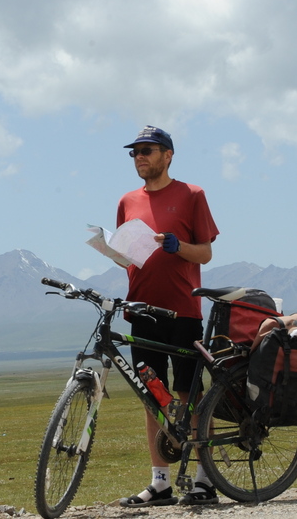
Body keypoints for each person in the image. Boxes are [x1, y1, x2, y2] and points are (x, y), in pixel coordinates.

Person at [116, 125, 220, 507]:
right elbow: (128, 252)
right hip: (142, 311)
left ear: (168, 155)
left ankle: (205, 479)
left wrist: (179, 248)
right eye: (135, 152)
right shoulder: (127, 200)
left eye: (147, 150)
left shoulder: (192, 195)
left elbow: (205, 254)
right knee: (152, 397)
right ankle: (160, 483)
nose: (140, 156)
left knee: (187, 394)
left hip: (183, 311)